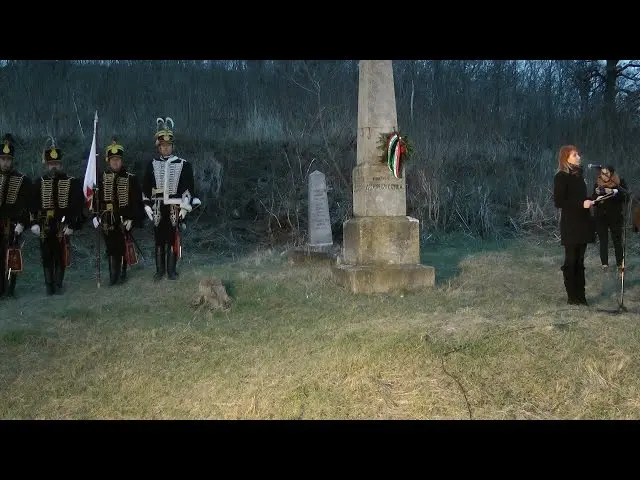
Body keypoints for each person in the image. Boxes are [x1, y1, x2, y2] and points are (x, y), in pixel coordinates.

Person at [142, 117, 200, 281]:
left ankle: (171, 271)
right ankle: (159, 271)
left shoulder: (184, 164)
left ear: (172, 146)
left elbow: (188, 188)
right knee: (159, 240)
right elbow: (145, 188)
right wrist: (147, 207)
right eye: (163, 146)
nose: (166, 148)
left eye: (168, 145)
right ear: (158, 147)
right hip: (157, 208)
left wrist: (183, 208)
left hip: (175, 207)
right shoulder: (151, 165)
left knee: (173, 238)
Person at [30, 138, 85, 295]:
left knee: (60, 255)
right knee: (46, 255)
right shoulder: (39, 182)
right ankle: (49, 286)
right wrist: (33, 222)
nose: (54, 166)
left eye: (56, 163)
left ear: (60, 164)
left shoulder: (72, 182)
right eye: (51, 163)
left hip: (62, 226)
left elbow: (77, 206)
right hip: (44, 225)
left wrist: (73, 225)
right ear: (47, 164)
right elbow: (32, 205)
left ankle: (59, 285)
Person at [92, 137, 144, 286]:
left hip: (123, 219)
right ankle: (112, 277)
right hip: (106, 218)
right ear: (108, 160)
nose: (116, 162)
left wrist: (132, 219)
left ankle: (121, 274)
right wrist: (95, 215)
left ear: (122, 161)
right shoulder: (100, 178)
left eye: (118, 159)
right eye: (113, 159)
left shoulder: (130, 178)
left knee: (122, 247)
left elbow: (136, 202)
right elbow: (95, 198)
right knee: (110, 248)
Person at [553, 145, 595, 306]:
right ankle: (572, 297)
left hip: (583, 223)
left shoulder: (579, 176)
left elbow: (581, 199)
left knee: (580, 261)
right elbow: (559, 202)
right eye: (574, 155)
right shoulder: (561, 177)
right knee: (571, 261)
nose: (579, 156)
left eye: (578, 154)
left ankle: (581, 297)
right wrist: (580, 204)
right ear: (566, 158)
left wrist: (594, 198)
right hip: (571, 225)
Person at [0, 134, 32, 298]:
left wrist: (22, 223)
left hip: (12, 225)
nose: (5, 162)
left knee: (11, 256)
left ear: (12, 160)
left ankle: (11, 289)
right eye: (3, 159)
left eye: (8, 159)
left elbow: (28, 206)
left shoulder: (22, 180)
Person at [591, 165, 629, 273]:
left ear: (612, 173)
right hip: (601, 216)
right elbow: (593, 199)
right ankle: (604, 265)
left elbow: (626, 197)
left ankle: (619, 265)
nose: (604, 176)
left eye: (607, 173)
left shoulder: (619, 182)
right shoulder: (597, 183)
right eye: (602, 173)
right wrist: (597, 195)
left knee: (617, 240)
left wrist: (612, 192)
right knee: (603, 240)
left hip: (615, 216)